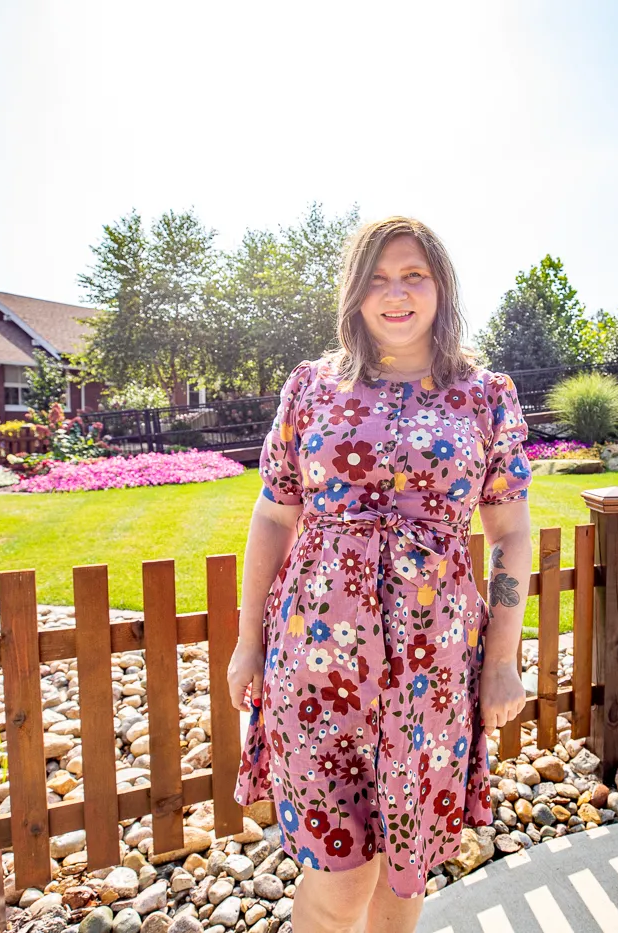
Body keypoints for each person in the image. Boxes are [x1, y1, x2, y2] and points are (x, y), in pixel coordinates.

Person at [226, 216, 534, 933]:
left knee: (407, 861)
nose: (396, 294)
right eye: (378, 278)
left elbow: (512, 532)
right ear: (355, 293)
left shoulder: (484, 395)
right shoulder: (312, 387)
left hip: (437, 665)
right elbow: (273, 515)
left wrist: (504, 659)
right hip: (315, 662)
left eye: (413, 275)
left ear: (441, 287)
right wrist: (248, 642)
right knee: (338, 874)